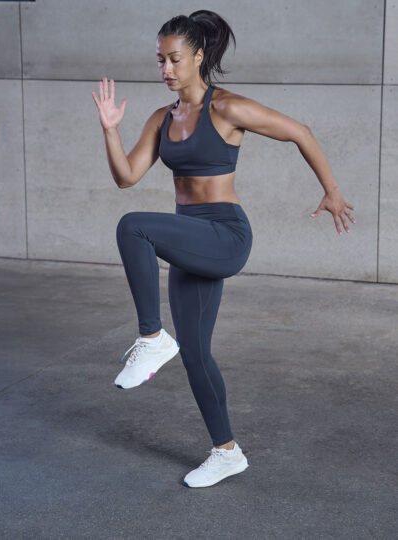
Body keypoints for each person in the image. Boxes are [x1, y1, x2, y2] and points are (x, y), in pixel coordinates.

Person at [92, 10, 355, 488]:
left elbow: (300, 132)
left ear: (198, 57)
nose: (166, 69)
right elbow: (126, 177)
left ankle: (151, 337)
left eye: (175, 59)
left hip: (224, 235)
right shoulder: (161, 118)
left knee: (134, 228)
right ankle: (226, 452)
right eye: (160, 60)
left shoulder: (227, 108)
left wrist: (332, 191)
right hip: (189, 236)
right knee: (195, 354)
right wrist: (110, 129)